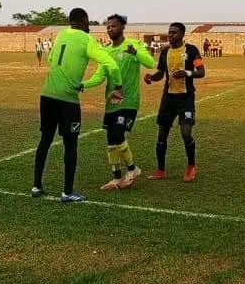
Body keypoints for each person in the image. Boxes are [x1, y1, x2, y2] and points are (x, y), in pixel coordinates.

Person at [32, 8, 123, 203]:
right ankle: (67, 192)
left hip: (47, 95)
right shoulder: (87, 39)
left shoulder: (61, 35)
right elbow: (112, 65)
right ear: (84, 21)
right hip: (68, 100)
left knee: (45, 140)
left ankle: (36, 186)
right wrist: (118, 87)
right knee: (70, 144)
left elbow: (51, 59)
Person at [82, 14, 155, 191]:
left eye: (113, 26)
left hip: (128, 101)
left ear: (122, 27)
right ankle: (115, 178)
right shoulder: (106, 51)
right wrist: (83, 85)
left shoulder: (133, 45)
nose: (110, 29)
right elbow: (100, 76)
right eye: (108, 27)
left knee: (117, 135)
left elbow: (150, 63)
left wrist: (136, 53)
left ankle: (132, 169)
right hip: (112, 101)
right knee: (110, 140)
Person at [145, 22, 204, 182]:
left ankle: (191, 166)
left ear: (182, 34)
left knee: (186, 133)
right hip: (168, 98)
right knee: (162, 135)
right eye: (169, 32)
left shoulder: (191, 50)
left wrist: (187, 73)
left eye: (174, 32)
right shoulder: (165, 51)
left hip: (186, 98)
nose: (170, 35)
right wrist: (151, 77)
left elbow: (201, 72)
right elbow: (160, 73)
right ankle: (160, 170)